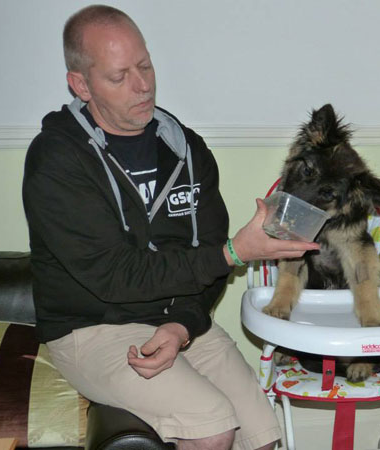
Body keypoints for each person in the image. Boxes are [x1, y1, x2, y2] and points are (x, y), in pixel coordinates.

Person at [22, 5, 319, 450]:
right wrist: (234, 254)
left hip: (176, 320)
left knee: (262, 434)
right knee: (212, 426)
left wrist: (182, 324)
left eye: (144, 65)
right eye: (119, 77)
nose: (143, 86)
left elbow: (209, 252)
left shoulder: (185, 148)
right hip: (92, 327)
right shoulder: (57, 160)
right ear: (81, 84)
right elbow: (115, 276)